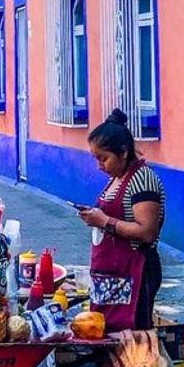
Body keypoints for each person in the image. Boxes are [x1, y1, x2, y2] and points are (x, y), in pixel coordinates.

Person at [77, 109, 166, 331]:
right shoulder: (117, 178)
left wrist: (105, 221)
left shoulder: (142, 180)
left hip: (135, 271)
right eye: (96, 158)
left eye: (104, 158)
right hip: (111, 274)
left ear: (124, 153)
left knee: (131, 339)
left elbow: (147, 231)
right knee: (105, 333)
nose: (99, 165)